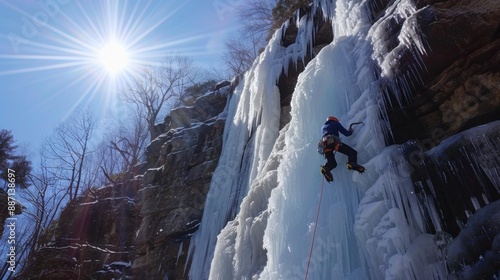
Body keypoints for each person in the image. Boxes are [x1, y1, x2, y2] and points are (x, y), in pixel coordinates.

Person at [318, 116, 364, 182]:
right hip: (332, 141)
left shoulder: (323, 127)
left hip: (323, 145)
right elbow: (346, 133)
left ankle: (325, 169)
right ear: (334, 120)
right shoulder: (335, 123)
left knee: (333, 163)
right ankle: (352, 163)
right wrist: (350, 131)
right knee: (352, 152)